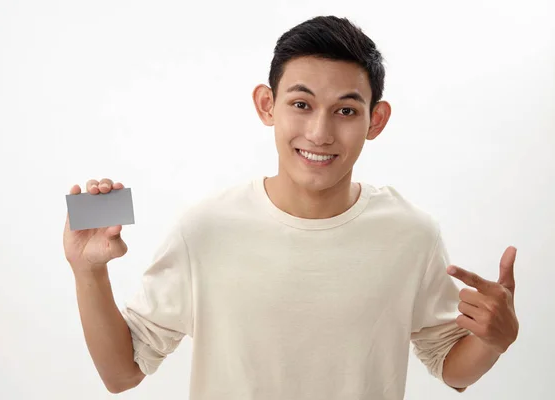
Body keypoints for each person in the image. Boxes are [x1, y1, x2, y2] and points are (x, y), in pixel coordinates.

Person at [63, 15, 519, 400]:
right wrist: (88, 272)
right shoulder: (205, 229)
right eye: (301, 104)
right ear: (268, 105)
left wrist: (495, 340)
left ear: (375, 121)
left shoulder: (411, 234)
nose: (319, 133)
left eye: (345, 111)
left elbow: (452, 368)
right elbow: (122, 374)